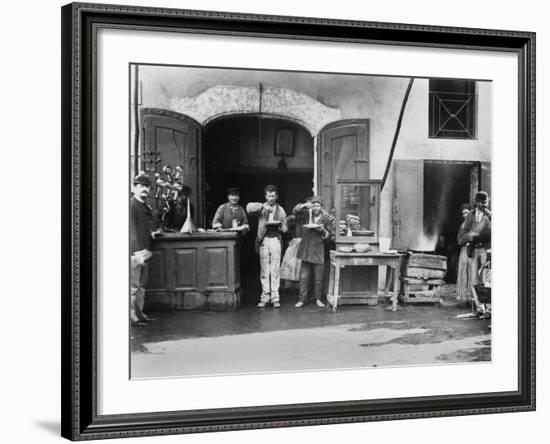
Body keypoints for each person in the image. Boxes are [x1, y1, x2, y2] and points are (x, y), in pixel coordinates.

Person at [246, 185, 288, 308]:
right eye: (268, 195)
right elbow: (248, 208)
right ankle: (265, 296)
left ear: (277, 196)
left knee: (275, 270)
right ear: (265, 196)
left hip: (275, 240)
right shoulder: (261, 208)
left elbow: (285, 230)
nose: (271, 198)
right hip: (264, 240)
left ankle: (275, 298)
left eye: (273, 195)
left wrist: (280, 225)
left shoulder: (280, 210)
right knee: (264, 270)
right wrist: (262, 206)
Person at [130, 173, 160, 326]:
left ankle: (140, 315)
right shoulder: (131, 205)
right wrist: (136, 251)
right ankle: (132, 318)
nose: (145, 189)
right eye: (141, 186)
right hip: (136, 252)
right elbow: (130, 229)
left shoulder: (142, 205)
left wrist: (151, 233)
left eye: (147, 187)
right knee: (134, 287)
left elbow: (142, 227)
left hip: (144, 250)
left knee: (141, 286)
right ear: (133, 188)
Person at [293, 196, 334, 308]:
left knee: (319, 279)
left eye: (318, 205)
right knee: (304, 278)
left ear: (321, 207)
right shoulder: (306, 215)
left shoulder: (326, 219)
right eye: (314, 205)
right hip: (306, 250)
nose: (315, 207)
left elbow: (329, 236)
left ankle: (318, 299)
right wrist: (304, 205)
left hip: (319, 252)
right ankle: (302, 299)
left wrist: (323, 231)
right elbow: (295, 211)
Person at [462, 191, 491, 314]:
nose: (484, 205)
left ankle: (489, 308)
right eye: (482, 203)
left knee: (486, 279)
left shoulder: (491, 216)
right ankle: (479, 307)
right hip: (473, 250)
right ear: (477, 202)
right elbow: (464, 231)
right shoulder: (470, 216)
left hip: (485, 250)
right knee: (474, 279)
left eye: (486, 202)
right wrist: (469, 238)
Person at [456, 203, 473, 304]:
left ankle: (472, 297)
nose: (465, 215)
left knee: (471, 272)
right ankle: (464, 297)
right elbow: (459, 238)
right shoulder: (462, 225)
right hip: (464, 250)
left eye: (467, 212)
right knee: (463, 271)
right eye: (463, 214)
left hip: (472, 250)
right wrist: (463, 241)